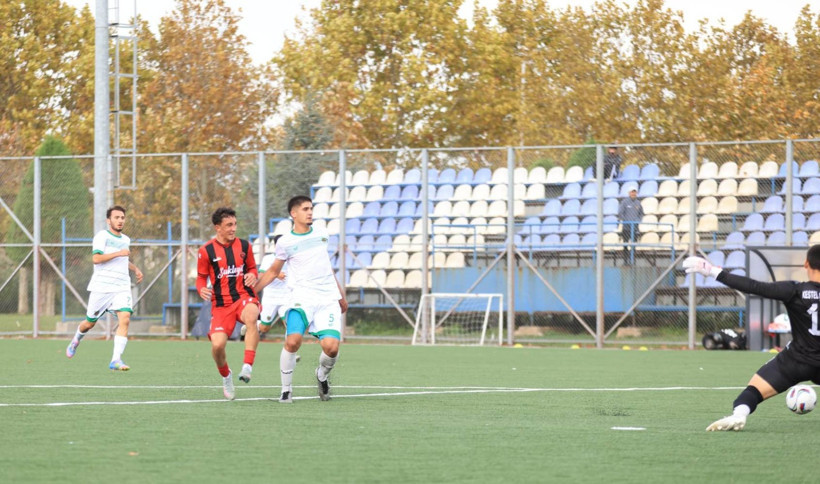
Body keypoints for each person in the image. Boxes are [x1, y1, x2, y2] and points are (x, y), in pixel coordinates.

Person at [683, 245, 820, 431]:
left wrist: (713, 271)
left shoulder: (794, 290)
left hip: (795, 360)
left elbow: (755, 287)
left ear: (806, 263)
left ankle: (739, 415)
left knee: (752, 392)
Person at [254, 195, 348, 403]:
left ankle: (321, 375)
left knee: (331, 348)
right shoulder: (286, 242)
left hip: (327, 299)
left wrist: (340, 294)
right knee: (293, 341)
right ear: (293, 214)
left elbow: (327, 267)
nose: (310, 212)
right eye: (305, 209)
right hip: (300, 298)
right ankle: (286, 390)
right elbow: (272, 272)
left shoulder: (323, 234)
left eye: (311, 208)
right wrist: (254, 290)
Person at [66, 205, 143, 370]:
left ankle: (116, 359)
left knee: (125, 319)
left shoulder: (126, 239)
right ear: (109, 221)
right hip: (101, 287)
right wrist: (118, 253)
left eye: (122, 217)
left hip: (121, 286)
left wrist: (135, 268)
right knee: (89, 323)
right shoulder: (102, 236)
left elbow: (122, 260)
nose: (120, 220)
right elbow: (96, 258)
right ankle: (76, 340)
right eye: (117, 217)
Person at [196, 207, 261, 400]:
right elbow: (200, 278)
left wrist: (252, 275)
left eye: (235, 224)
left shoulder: (244, 246)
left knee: (251, 315)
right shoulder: (206, 250)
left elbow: (252, 268)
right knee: (217, 346)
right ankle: (226, 376)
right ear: (218, 228)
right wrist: (201, 289)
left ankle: (247, 367)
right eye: (229, 225)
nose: (234, 228)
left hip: (243, 296)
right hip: (221, 304)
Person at [257, 234, 290, 334]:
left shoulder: (292, 259)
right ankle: (252, 324)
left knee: (291, 325)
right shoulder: (268, 259)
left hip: (287, 296)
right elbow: (261, 276)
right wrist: (275, 274)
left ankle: (290, 349)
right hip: (271, 297)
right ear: (276, 246)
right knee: (264, 328)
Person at [617, 188, 643, 264]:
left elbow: (641, 213)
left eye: (634, 192)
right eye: (632, 192)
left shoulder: (638, 203)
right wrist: (626, 221)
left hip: (634, 228)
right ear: (629, 193)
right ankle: (625, 261)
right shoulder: (624, 202)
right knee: (625, 244)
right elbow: (620, 213)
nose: (633, 194)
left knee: (634, 245)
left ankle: (633, 260)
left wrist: (638, 221)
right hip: (626, 228)